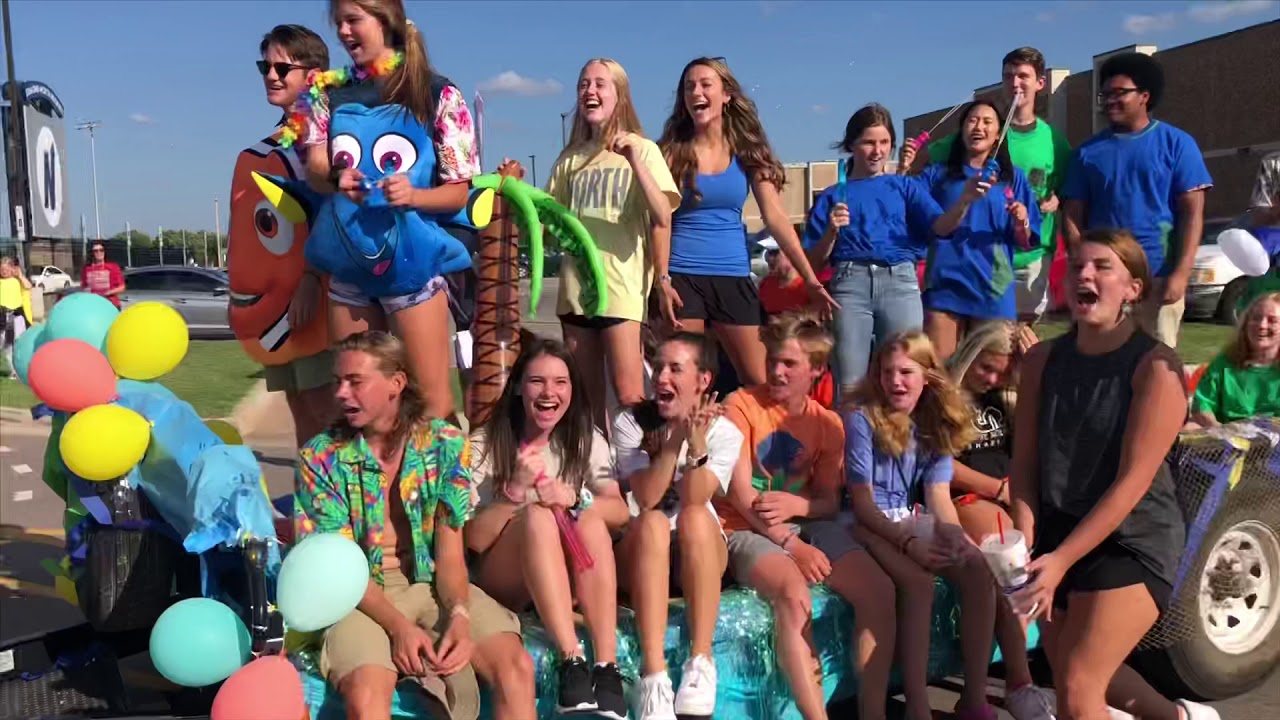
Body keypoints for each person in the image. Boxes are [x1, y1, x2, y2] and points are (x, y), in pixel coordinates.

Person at [1009, 229, 1217, 720]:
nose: (1085, 274)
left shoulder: (1156, 368)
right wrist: (1023, 545)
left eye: (1102, 266)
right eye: (1078, 265)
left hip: (1133, 538)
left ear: (1132, 289)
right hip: (1059, 530)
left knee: (1078, 687)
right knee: (1071, 672)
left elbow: (1132, 484)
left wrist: (1061, 560)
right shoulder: (1041, 360)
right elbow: (1024, 464)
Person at [293, 331, 534, 720]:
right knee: (367, 694)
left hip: (432, 580)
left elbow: (450, 554)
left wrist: (459, 614)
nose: (340, 393)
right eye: (338, 381)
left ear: (396, 383)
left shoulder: (445, 445)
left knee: (516, 669)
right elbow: (336, 569)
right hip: (360, 592)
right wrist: (398, 627)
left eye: (355, 381)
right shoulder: (321, 458)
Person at [299, 0, 480, 423]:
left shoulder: (438, 93)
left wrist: (413, 196)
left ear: (386, 21)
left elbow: (458, 194)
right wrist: (336, 178)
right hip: (348, 272)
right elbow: (316, 169)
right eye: (338, 22)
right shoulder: (324, 94)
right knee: (354, 409)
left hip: (411, 272)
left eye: (353, 20)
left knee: (429, 408)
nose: (343, 32)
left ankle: (439, 471)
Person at [719, 312, 896, 720]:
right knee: (793, 594)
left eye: (789, 364)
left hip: (805, 522)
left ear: (816, 369)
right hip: (745, 525)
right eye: (772, 360)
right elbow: (741, 495)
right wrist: (792, 544)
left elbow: (828, 502)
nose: (776, 371)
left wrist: (797, 507)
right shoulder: (740, 405)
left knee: (880, 591)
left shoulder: (828, 424)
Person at [499, 58, 680, 434]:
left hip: (621, 291)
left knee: (630, 396)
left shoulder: (644, 150)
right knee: (585, 401)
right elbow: (546, 229)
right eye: (584, 84)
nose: (589, 91)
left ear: (620, 95)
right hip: (575, 295)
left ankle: (647, 464)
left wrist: (633, 161)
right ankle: (596, 468)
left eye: (600, 84)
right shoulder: (570, 160)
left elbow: (662, 214)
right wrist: (517, 193)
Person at [465, 338, 631, 719]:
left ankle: (606, 669)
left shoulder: (584, 438)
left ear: (572, 389)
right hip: (503, 578)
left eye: (560, 382)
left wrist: (575, 498)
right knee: (538, 516)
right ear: (518, 387)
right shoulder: (484, 444)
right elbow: (472, 542)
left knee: (588, 517)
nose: (548, 393)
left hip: (566, 573)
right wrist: (513, 493)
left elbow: (620, 511)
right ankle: (571, 662)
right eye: (537, 381)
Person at [844, 330, 997, 720]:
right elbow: (862, 505)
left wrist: (953, 533)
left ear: (927, 376)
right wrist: (908, 542)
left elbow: (938, 494)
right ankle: (917, 704)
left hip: (907, 516)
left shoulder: (934, 420)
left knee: (978, 567)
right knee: (919, 583)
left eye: (905, 372)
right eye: (887, 372)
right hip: (867, 522)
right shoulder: (862, 418)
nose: (895, 381)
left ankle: (974, 697)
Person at [656, 57, 835, 389]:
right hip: (682, 276)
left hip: (732, 275)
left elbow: (776, 218)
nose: (696, 92)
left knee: (762, 381)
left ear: (726, 95)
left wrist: (810, 279)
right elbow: (658, 220)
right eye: (689, 87)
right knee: (685, 382)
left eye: (706, 84)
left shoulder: (747, 150)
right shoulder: (669, 152)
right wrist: (661, 280)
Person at [612, 332, 743, 720]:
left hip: (696, 552)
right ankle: (653, 677)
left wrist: (697, 446)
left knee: (696, 516)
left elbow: (695, 497)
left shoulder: (725, 432)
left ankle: (700, 663)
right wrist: (675, 442)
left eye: (675, 369)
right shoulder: (631, 422)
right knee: (653, 521)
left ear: (703, 380)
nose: (661, 377)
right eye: (658, 367)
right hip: (643, 549)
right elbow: (647, 497)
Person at [804, 104, 978, 395]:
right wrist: (831, 232)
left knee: (904, 377)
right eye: (869, 142)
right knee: (850, 385)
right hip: (850, 285)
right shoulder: (834, 195)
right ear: (851, 145)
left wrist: (965, 201)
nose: (878, 151)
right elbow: (812, 262)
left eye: (884, 142)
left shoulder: (903, 187)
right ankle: (853, 428)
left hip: (900, 283)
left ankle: (898, 428)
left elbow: (941, 226)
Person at [1061, 52, 1212, 349]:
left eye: (1119, 93)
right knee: (1099, 357)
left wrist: (1181, 274)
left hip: (1158, 277)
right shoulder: (1087, 153)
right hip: (1104, 282)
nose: (1110, 101)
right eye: (1105, 94)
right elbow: (1072, 214)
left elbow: (1193, 214)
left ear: (1145, 96)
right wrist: (1082, 266)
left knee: (1156, 361)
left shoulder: (1177, 144)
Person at [944, 322, 1057, 720]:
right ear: (970, 354)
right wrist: (999, 489)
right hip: (970, 495)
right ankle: (1020, 682)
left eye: (1001, 372)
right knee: (1010, 557)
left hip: (1011, 493)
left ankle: (1063, 671)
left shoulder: (1007, 395)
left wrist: (1031, 372)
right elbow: (942, 466)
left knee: (1050, 549)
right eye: (985, 368)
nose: (992, 379)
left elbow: (1042, 435)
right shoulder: (945, 392)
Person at [231, 23, 334, 446]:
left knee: (328, 414)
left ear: (314, 75)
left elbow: (336, 210)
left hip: (322, 300)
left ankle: (346, 488)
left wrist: (311, 277)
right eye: (265, 67)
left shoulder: (332, 138)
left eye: (283, 68)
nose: (271, 76)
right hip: (281, 309)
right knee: (301, 412)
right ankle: (312, 487)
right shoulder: (266, 149)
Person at [915, 48, 1072, 324]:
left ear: (1040, 83)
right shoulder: (981, 129)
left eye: (1023, 76)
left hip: (1030, 255)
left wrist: (1056, 198)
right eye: (1008, 76)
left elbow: (1067, 186)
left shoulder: (1053, 140)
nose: (1015, 83)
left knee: (1016, 338)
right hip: (976, 258)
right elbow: (927, 164)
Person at [918, 100, 1041, 358]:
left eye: (987, 122)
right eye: (972, 120)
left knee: (993, 370)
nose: (979, 127)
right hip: (945, 286)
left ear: (998, 135)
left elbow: (1026, 240)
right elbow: (921, 221)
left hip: (994, 289)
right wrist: (964, 199)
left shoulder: (1013, 178)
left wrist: (1022, 222)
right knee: (939, 370)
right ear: (961, 129)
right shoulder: (937, 176)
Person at [757, 238, 835, 407]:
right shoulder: (766, 285)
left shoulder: (810, 285)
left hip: (805, 356)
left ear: (791, 253)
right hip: (775, 354)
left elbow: (819, 318)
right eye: (768, 254)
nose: (769, 259)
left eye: (774, 253)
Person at [1189, 293, 1280, 427]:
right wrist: (1225, 433)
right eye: (1255, 318)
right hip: (1228, 435)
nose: (1262, 325)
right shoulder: (1223, 364)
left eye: (1272, 320)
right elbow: (1202, 408)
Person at [0, 257, 33, 378]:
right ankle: (14, 370)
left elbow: (28, 286)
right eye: (2, 269)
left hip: (17, 316)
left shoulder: (17, 281)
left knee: (18, 343)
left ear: (12, 269)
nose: (4, 271)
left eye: (6, 269)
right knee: (7, 345)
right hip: (3, 317)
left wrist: (20, 275)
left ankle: (18, 370)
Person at [80, 241, 125, 308]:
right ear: (92, 253)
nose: (99, 253)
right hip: (93, 305)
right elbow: (83, 287)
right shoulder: (86, 269)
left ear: (105, 252)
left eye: (101, 250)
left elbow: (121, 287)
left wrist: (107, 293)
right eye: (96, 251)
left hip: (111, 304)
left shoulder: (113, 267)